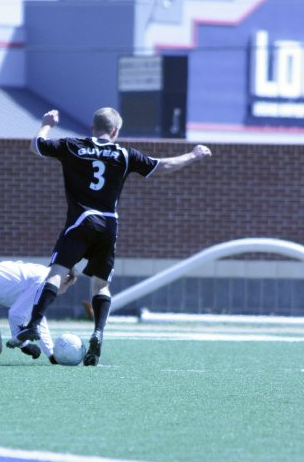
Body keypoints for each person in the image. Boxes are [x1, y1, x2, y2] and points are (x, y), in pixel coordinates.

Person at [17, 107, 212, 366]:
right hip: (108, 225)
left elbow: (37, 145)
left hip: (80, 221)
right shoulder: (123, 153)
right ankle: (98, 332)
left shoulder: (72, 145)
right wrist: (194, 154)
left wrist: (46, 123)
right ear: (115, 131)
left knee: (56, 272)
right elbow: (163, 166)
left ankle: (33, 323)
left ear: (92, 127)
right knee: (101, 284)